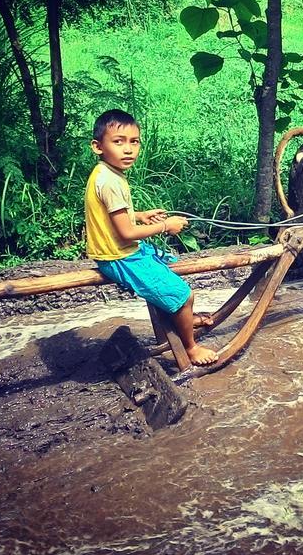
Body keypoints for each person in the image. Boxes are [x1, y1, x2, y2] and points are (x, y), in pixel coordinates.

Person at [85, 109, 218, 365]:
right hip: (120, 256)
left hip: (120, 250)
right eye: (118, 141)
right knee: (184, 295)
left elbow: (114, 217)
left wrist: (141, 215)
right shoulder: (111, 182)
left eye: (134, 142)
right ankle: (191, 347)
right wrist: (165, 226)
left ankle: (183, 317)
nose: (128, 149)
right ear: (98, 146)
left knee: (169, 264)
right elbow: (126, 232)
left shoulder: (105, 174)